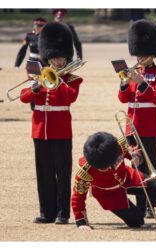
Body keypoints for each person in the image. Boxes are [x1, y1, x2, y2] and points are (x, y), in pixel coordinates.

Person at [71, 132, 156, 230]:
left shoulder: (114, 146)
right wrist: (81, 221)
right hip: (109, 194)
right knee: (137, 220)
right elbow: (78, 196)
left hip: (128, 178)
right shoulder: (85, 170)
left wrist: (135, 156)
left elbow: (129, 152)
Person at [19, 22, 84, 224]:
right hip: (40, 131)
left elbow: (70, 98)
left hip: (61, 131)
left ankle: (62, 213)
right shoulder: (37, 74)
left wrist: (57, 82)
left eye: (61, 57)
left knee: (62, 173)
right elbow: (23, 97)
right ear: (48, 56)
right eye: (54, 57)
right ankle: (47, 212)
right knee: (44, 174)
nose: (57, 60)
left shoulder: (72, 78)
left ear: (66, 57)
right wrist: (36, 87)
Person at [118, 20, 156, 218]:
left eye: (142, 53)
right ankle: (141, 205)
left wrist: (140, 83)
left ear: (152, 52)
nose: (139, 57)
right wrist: (124, 84)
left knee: (150, 167)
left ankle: (151, 205)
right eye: (137, 53)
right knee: (135, 167)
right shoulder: (133, 73)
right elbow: (124, 99)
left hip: (149, 127)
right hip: (132, 125)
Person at [15, 17, 47, 111]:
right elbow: (23, 50)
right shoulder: (29, 35)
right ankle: (33, 106)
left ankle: (42, 103)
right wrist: (18, 63)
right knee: (33, 84)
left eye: (41, 25)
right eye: (36, 25)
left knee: (44, 84)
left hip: (44, 63)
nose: (38, 27)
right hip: (32, 63)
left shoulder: (47, 36)